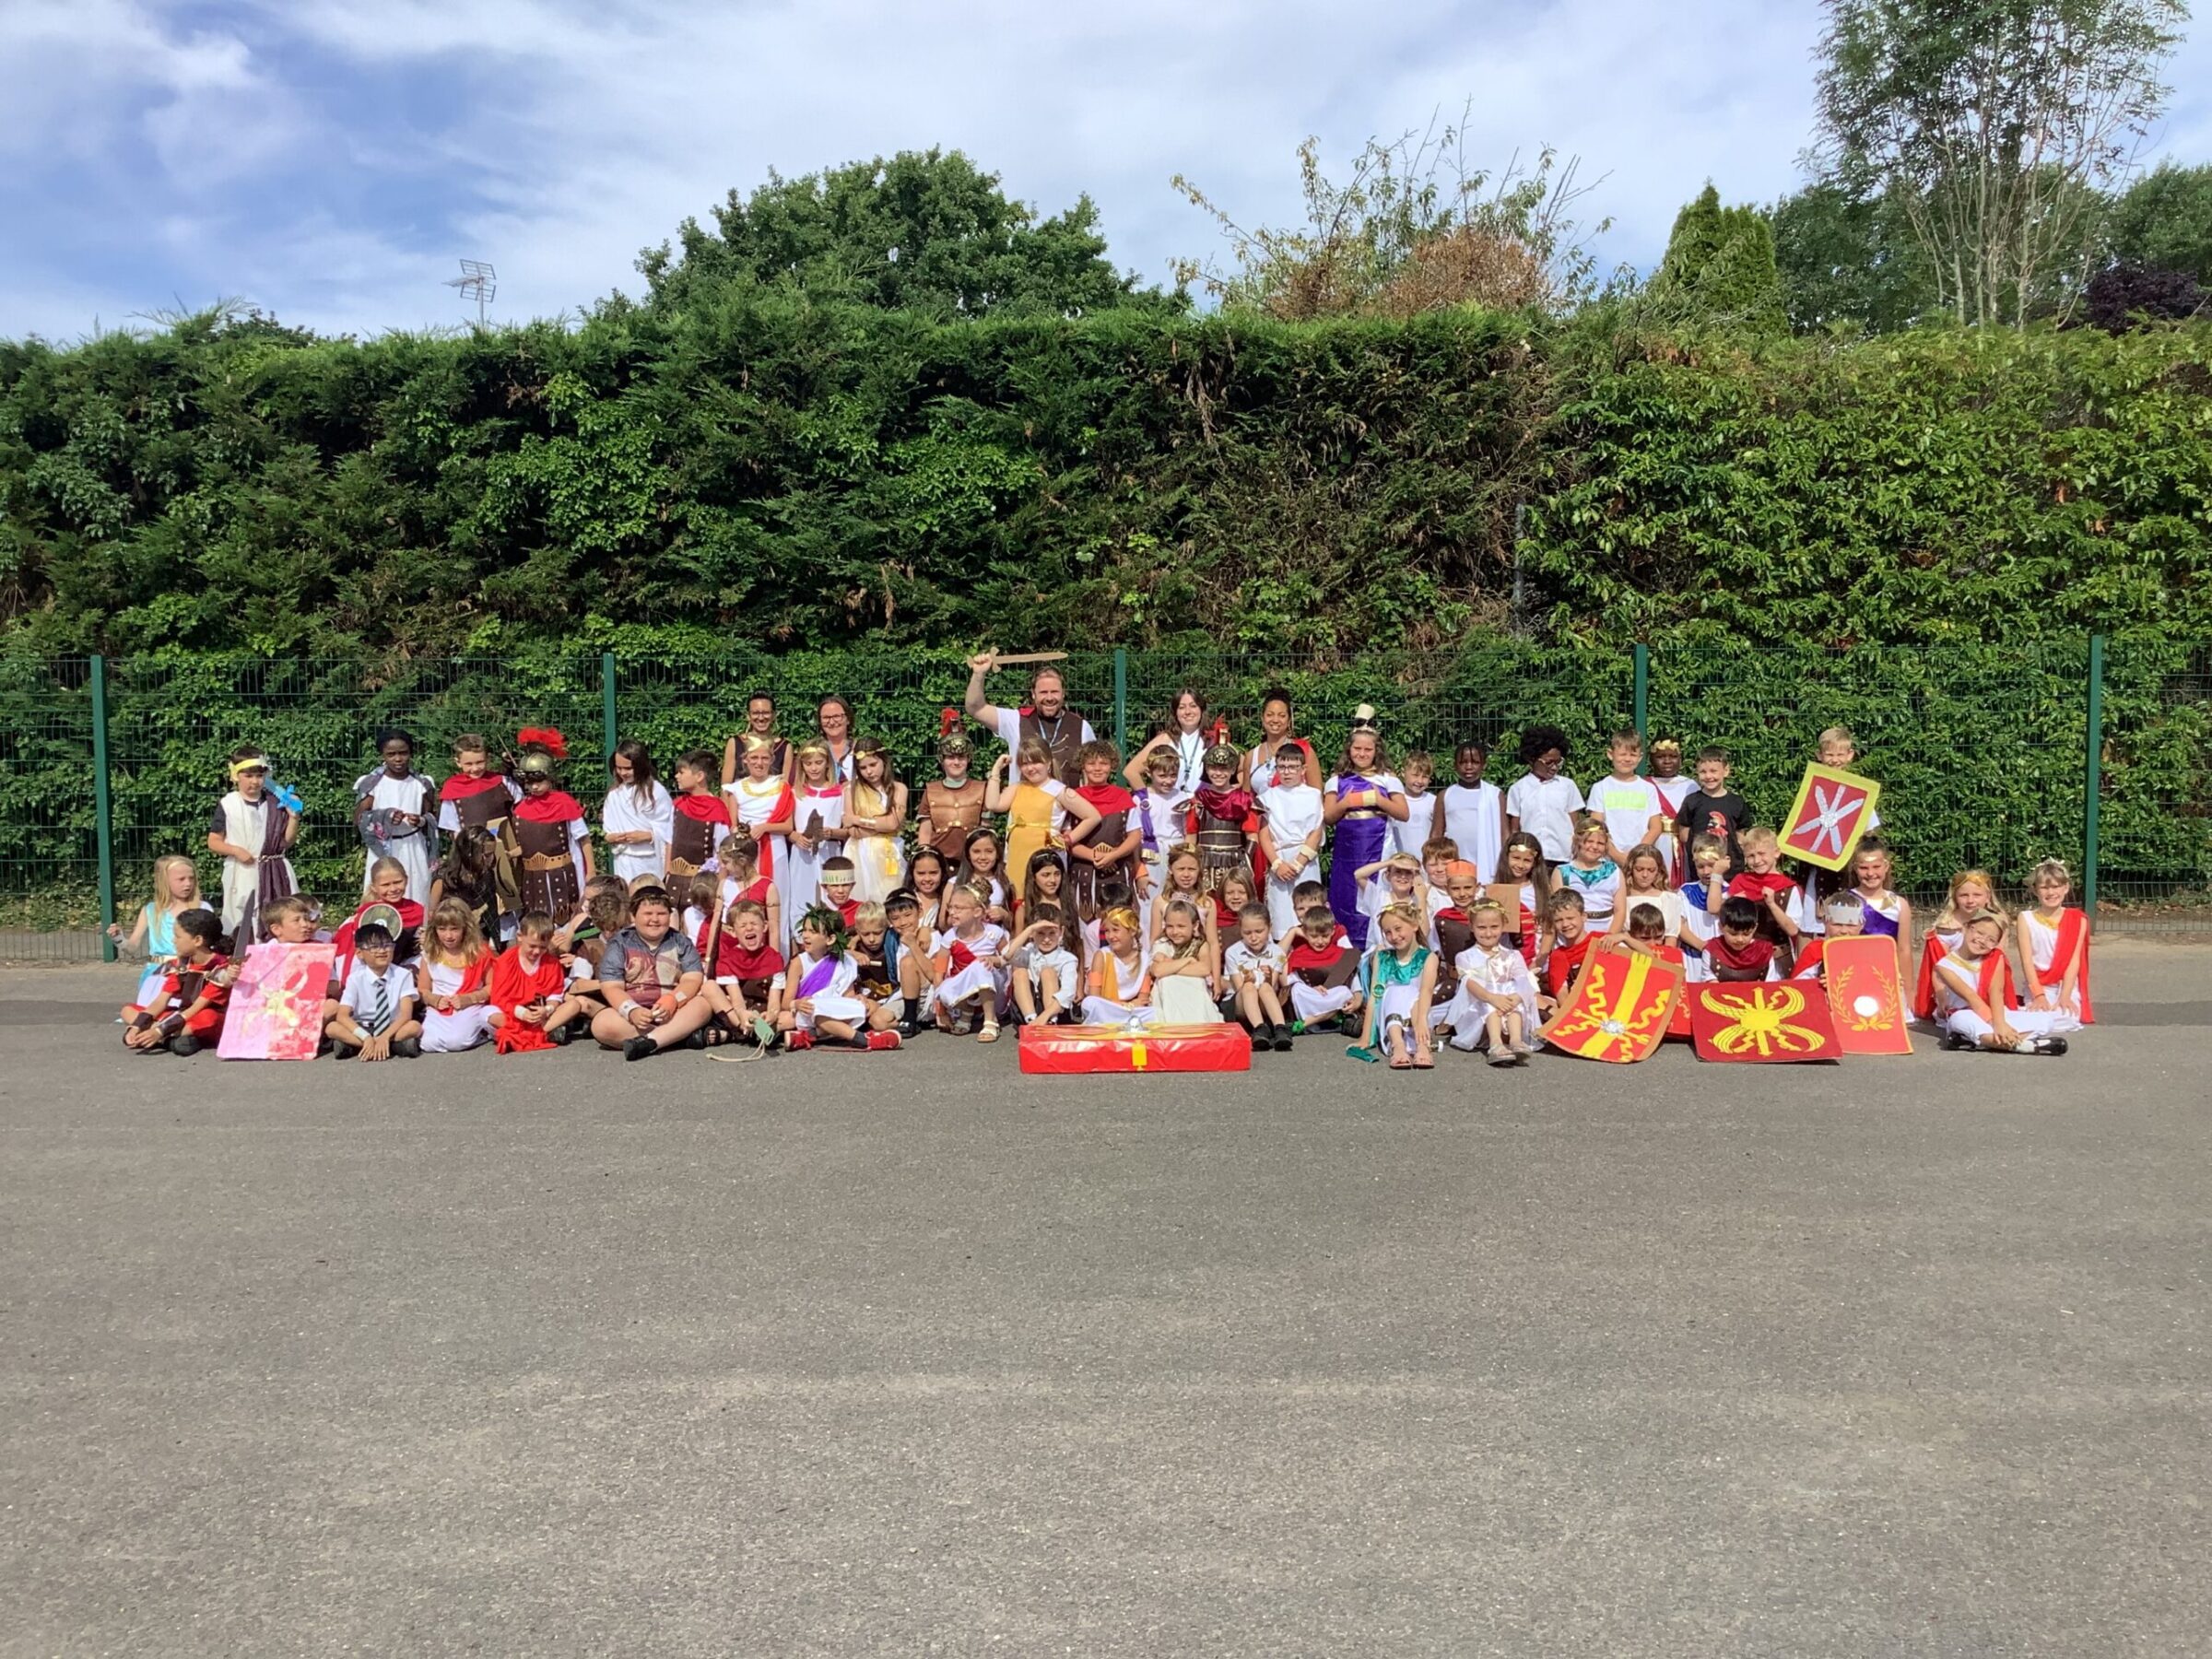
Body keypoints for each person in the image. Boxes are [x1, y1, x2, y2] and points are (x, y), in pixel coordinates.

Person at [586, 885, 718, 1060]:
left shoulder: (681, 942)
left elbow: (692, 979)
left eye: (661, 914)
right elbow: (611, 987)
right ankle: (676, 1037)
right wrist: (632, 1010)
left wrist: (673, 1000)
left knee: (703, 1005)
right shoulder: (619, 944)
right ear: (633, 916)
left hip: (674, 1010)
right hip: (635, 1013)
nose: (655, 919)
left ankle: (651, 1042)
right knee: (601, 1024)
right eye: (648, 914)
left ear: (670, 915)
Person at [1324, 709, 1408, 952]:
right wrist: (1345, 803)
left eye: (1367, 749)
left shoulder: (1387, 779)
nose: (1362, 754)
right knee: (1347, 896)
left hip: (1378, 848)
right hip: (1347, 852)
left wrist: (1379, 800)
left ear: (1376, 751)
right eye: (1357, 749)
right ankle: (1347, 951)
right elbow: (1328, 817)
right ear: (1349, 750)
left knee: (1376, 896)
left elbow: (1403, 813)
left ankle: (1378, 948)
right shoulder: (1337, 780)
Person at [1934, 911, 2072, 1054]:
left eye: (1991, 939)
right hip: (1968, 1012)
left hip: (1997, 1011)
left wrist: (2000, 1023)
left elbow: (1996, 992)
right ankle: (2026, 1045)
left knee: (2046, 1020)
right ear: (1967, 927)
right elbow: (1973, 999)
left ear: (1995, 944)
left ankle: (1973, 1041)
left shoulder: (1995, 958)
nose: (1982, 941)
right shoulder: (1945, 966)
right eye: (1980, 933)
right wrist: (1999, 1026)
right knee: (1959, 1020)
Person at [988, 739, 1101, 905]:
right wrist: (996, 770)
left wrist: (1068, 839)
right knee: (1017, 901)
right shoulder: (1017, 788)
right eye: (1024, 764)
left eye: (1036, 762)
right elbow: (993, 804)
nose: (1030, 768)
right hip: (1017, 855)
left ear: (1048, 763)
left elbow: (1092, 816)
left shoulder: (1059, 790)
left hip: (1044, 856)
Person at [208, 748, 298, 946]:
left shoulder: (275, 802)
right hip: (244, 871)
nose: (255, 781)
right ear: (236, 776)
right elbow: (213, 841)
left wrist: (294, 817)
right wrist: (236, 850)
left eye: (259, 776)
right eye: (248, 776)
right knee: (246, 919)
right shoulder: (229, 804)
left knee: (282, 916)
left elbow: (286, 841)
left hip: (276, 871)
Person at [965, 653, 1096, 785]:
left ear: (1063, 693)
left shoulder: (1082, 727)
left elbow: (1093, 772)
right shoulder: (1016, 720)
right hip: (1023, 798)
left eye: (1054, 692)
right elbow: (976, 708)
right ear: (1033, 694)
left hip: (1067, 798)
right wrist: (978, 675)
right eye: (1043, 692)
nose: (1049, 698)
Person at [1441, 899, 1537, 1064]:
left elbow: (1523, 979)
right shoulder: (1465, 957)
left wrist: (1515, 998)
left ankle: (1516, 1040)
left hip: (1508, 1008)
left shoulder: (1513, 955)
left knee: (1513, 990)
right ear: (1472, 927)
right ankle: (1495, 1044)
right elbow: (1469, 983)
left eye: (1494, 927)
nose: (1488, 933)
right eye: (1482, 928)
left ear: (1503, 926)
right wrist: (1492, 998)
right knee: (1491, 1001)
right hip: (1478, 1010)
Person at [121, 907, 229, 1055]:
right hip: (182, 1016)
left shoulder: (220, 967)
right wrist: (136, 1027)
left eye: (178, 936)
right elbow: (161, 1001)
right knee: (127, 1010)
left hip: (203, 1016)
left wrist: (159, 1030)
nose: (173, 940)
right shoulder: (181, 965)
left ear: (197, 940)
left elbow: (196, 1008)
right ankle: (171, 1040)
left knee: (208, 1017)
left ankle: (161, 1037)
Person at [487, 912, 597, 1053]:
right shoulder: (505, 961)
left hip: (541, 1015)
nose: (537, 951)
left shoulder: (552, 963)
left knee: (574, 1005)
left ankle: (530, 1033)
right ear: (520, 936)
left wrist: (547, 1009)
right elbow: (499, 998)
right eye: (532, 946)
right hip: (513, 1013)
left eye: (543, 947)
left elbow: (555, 995)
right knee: (487, 1014)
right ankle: (541, 1032)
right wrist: (521, 1013)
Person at [351, 727, 439, 904]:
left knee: (417, 894)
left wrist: (420, 820)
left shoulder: (421, 784)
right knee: (382, 897)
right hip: (383, 849)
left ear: (410, 753)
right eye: (391, 754)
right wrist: (385, 817)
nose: (398, 759)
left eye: (403, 753)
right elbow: (359, 818)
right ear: (382, 755)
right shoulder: (372, 784)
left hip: (414, 847)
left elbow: (431, 817)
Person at [510, 743, 593, 919]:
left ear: (549, 777)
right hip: (532, 878)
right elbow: (527, 846)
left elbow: (584, 839)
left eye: (539, 781)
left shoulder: (564, 803)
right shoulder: (521, 809)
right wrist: (508, 854)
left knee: (567, 917)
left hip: (563, 873)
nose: (534, 787)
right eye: (530, 783)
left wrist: (590, 871)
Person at [782, 904, 880, 1050]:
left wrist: (858, 998)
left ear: (830, 939)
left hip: (831, 1008)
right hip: (807, 1011)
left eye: (813, 932)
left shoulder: (843, 961)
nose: (806, 936)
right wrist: (797, 1004)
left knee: (868, 1006)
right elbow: (785, 1003)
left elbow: (847, 997)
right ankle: (863, 1040)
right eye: (805, 930)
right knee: (809, 1012)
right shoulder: (798, 963)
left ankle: (811, 1035)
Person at [112, 854, 203, 1013]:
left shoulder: (202, 908)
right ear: (165, 882)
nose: (188, 883)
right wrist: (119, 938)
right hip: (157, 974)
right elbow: (132, 947)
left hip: (189, 972)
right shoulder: (152, 910)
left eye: (191, 878)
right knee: (149, 1016)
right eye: (181, 879)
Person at [723, 734, 796, 929]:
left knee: (777, 896)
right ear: (745, 760)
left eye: (764, 758)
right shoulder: (736, 789)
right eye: (754, 758)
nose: (759, 763)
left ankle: (777, 942)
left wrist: (765, 827)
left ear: (772, 760)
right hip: (747, 851)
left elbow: (788, 826)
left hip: (775, 848)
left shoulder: (781, 787)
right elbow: (733, 826)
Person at [1352, 902, 1438, 1068]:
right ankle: (1397, 1045)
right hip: (1389, 1017)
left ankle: (1422, 1046)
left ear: (1414, 925)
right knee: (1395, 991)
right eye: (1388, 932)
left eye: (1398, 929)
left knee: (1414, 994)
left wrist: (1422, 1021)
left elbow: (1426, 991)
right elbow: (1375, 996)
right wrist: (1365, 1037)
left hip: (1419, 1015)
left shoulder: (1428, 957)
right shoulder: (1383, 957)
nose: (1394, 936)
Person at [1912, 868, 2006, 1019]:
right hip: (1954, 987)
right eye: (1964, 895)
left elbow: (1996, 962)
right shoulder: (1947, 927)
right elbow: (1940, 970)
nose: (1970, 900)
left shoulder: (1998, 923)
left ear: (1987, 897)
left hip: (1986, 982)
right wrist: (1942, 998)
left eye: (1977, 895)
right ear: (1955, 897)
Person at [1256, 742, 1324, 940]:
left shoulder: (1313, 795)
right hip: (1279, 860)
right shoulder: (1267, 797)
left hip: (1304, 860)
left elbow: (1316, 832)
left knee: (1309, 907)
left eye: (1293, 767)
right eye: (1282, 767)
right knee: (1280, 913)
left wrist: (1298, 863)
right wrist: (1277, 864)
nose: (1287, 772)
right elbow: (1264, 834)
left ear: (1303, 769)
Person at [325, 923, 422, 1061]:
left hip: (391, 1027)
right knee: (331, 1028)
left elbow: (405, 1015)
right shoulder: (355, 978)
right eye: (374, 947)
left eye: (387, 945)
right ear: (359, 953)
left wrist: (385, 1036)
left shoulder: (403, 975)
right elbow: (342, 1015)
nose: (382, 951)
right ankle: (389, 1046)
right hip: (362, 1027)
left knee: (414, 1027)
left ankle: (359, 1046)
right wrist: (366, 1037)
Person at [930, 883, 1011, 1041]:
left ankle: (990, 1020)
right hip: (966, 991)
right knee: (943, 990)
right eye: (950, 907)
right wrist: (940, 1011)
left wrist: (993, 960)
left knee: (981, 965)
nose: (952, 912)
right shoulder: (949, 937)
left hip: (993, 990)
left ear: (977, 912)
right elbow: (939, 972)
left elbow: (1008, 958)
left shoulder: (994, 933)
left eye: (959, 908)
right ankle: (966, 1012)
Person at [1068, 740, 1139, 922]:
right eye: (1091, 763)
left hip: (1118, 871)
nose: (1098, 768)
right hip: (1084, 872)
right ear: (1083, 765)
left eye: (1104, 763)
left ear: (1112, 765)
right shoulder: (1073, 799)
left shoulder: (1123, 796)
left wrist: (1114, 855)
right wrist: (1093, 855)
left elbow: (1134, 835)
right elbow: (1067, 839)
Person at [2018, 858, 2093, 1024]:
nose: (2051, 893)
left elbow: (2073, 961)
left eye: (2056, 886)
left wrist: (2065, 996)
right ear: (2035, 890)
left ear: (2066, 887)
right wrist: (2038, 995)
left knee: (2069, 1016)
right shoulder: (2026, 918)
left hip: (2064, 985)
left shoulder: (2078, 919)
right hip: (2038, 984)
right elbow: (2027, 961)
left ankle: (2024, 1021)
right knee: (2039, 1013)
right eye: (2044, 888)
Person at [703, 898, 786, 1047]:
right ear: (733, 932)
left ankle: (743, 1033)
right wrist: (742, 1015)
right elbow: (737, 1000)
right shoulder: (728, 960)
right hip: (737, 1010)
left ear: (764, 927)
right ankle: (742, 1029)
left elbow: (774, 999)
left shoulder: (774, 958)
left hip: (762, 1009)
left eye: (754, 924)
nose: (749, 928)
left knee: (790, 1017)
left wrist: (772, 1014)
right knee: (709, 986)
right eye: (743, 925)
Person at [329, 856, 425, 984]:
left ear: (406, 880)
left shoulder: (417, 910)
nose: (393, 889)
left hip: (403, 966)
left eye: (398, 882)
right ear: (374, 887)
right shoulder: (368, 914)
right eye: (385, 885)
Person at [416, 898, 495, 1053]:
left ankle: (482, 1033)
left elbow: (492, 986)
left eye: (454, 929)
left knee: (457, 1042)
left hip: (470, 1006)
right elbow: (423, 989)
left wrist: (469, 999)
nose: (448, 936)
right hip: (440, 1007)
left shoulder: (479, 952)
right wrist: (435, 1000)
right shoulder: (430, 953)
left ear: (466, 928)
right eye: (442, 929)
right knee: (427, 1044)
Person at [784, 740, 850, 922]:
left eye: (818, 763)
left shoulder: (840, 793)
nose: (813, 768)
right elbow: (787, 828)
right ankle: (800, 934)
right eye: (808, 763)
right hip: (802, 854)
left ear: (828, 763)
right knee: (800, 897)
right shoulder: (795, 792)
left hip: (829, 852)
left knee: (831, 896)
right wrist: (796, 837)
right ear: (802, 766)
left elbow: (847, 831)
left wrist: (832, 833)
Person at [1504, 725, 1584, 865]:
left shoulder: (1567, 786)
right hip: (1531, 859)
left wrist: (1578, 848)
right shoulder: (1518, 789)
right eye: (1548, 762)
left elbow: (1575, 824)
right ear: (1531, 759)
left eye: (1558, 762)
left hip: (1563, 856)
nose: (1554, 767)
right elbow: (1515, 830)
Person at [1187, 740, 1257, 894]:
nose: (1218, 773)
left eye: (1224, 768)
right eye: (1213, 768)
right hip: (1204, 862)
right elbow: (1191, 837)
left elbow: (1252, 837)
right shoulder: (1198, 800)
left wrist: (1244, 863)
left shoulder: (1243, 800)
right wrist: (1190, 864)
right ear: (1206, 769)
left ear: (1232, 770)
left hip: (1235, 862)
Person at [1726, 827, 1803, 969]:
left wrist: (1772, 904)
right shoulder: (1740, 882)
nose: (1757, 860)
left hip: (1779, 959)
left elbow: (1793, 930)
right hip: (1744, 957)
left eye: (1762, 854)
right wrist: (1732, 904)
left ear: (1776, 853)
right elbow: (1724, 922)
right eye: (1751, 856)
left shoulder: (1788, 888)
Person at [843, 737, 909, 902]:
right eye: (863, 768)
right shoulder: (851, 790)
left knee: (889, 898)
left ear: (884, 761)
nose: (869, 771)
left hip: (888, 853)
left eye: (873, 765)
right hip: (858, 853)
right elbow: (852, 831)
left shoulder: (899, 789)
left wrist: (858, 819)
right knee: (859, 901)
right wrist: (882, 825)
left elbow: (893, 823)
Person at [1586, 731, 1665, 866]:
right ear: (1610, 754)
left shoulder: (1648, 789)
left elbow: (1656, 827)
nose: (1628, 759)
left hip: (1640, 860)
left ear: (1640, 757)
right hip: (1607, 859)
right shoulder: (1600, 788)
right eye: (1622, 754)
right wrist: (1617, 856)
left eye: (1633, 755)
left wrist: (1636, 855)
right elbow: (1596, 827)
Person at [1221, 901, 1293, 1050]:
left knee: (1265, 988)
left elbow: (1271, 986)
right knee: (1249, 987)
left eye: (1259, 931)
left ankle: (1280, 1028)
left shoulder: (1278, 953)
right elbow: (1239, 987)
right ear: (1240, 930)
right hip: (1239, 1004)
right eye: (1247, 933)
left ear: (1269, 928)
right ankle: (1259, 1029)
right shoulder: (1232, 952)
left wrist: (1268, 977)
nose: (1253, 937)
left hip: (1265, 1000)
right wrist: (1248, 980)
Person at [602, 739, 674, 887]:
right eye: (619, 768)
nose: (623, 773)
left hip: (649, 861)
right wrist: (611, 837)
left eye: (628, 768)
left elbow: (670, 829)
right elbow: (608, 830)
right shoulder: (614, 794)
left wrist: (649, 835)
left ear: (640, 766)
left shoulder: (656, 791)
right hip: (623, 860)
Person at [915, 725, 987, 872]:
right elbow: (925, 834)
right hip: (939, 865)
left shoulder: (981, 789)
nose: (956, 762)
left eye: (961, 757)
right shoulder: (931, 790)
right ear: (941, 759)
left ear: (969, 759)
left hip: (972, 864)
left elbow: (986, 831)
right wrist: (924, 861)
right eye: (950, 757)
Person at [1675, 747, 1751, 878]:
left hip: (1731, 870)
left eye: (1713, 771)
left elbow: (1740, 836)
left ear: (1726, 771)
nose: (1708, 776)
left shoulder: (1737, 802)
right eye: (1703, 772)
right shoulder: (1692, 801)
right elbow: (1684, 836)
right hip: (1702, 870)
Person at [1285, 904, 1362, 1033]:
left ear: (1332, 931)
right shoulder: (1298, 954)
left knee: (1344, 992)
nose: (1320, 941)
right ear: (1305, 933)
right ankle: (1333, 1016)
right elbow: (1290, 980)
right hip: (1312, 998)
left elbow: (1352, 977)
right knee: (1297, 989)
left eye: (1325, 936)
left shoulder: (1342, 953)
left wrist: (1358, 997)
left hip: (1331, 995)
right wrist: (1312, 989)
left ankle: (1308, 1022)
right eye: (1314, 936)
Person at [1128, 746, 1189, 908]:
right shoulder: (1140, 799)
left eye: (1173, 775)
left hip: (1177, 853)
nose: (1168, 781)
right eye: (1162, 776)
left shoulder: (1183, 797)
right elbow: (1134, 838)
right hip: (1150, 856)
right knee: (1149, 901)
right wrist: (1139, 871)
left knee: (1177, 902)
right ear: (1149, 773)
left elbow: (1188, 831)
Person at [1441, 742, 1505, 894]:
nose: (1469, 767)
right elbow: (1436, 833)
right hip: (1456, 864)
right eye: (1463, 762)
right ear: (1455, 765)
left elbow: (1504, 833)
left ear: (1484, 765)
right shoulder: (1446, 795)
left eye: (1475, 762)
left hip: (1489, 865)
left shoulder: (1495, 795)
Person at [1124, 687, 1212, 794]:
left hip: (1203, 803)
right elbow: (1130, 771)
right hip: (1171, 803)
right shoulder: (1165, 739)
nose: (1188, 712)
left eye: (1193, 706)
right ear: (1175, 713)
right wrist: (1147, 799)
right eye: (1181, 707)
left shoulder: (1212, 740)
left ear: (1201, 709)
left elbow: (1232, 772)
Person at [1006, 901, 1081, 1028]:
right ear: (1032, 933)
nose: (1046, 939)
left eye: (1052, 933)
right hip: (1027, 1013)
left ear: (1061, 932)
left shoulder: (1067, 959)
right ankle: (1031, 1020)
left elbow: (1068, 992)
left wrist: (1044, 1017)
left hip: (1055, 1012)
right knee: (1019, 972)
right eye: (1041, 933)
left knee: (1048, 972)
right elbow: (1007, 955)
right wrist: (1029, 930)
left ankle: (1051, 1023)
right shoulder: (1027, 951)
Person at [1848, 838, 1914, 981]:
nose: (1870, 873)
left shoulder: (1899, 905)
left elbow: (1904, 950)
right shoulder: (1846, 901)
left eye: (1876, 867)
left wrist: (1909, 989)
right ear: (1855, 868)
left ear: (1886, 866)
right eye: (1864, 868)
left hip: (1887, 977)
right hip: (1853, 976)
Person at [1149, 898, 1219, 1023]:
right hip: (1168, 997)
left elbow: (1204, 969)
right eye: (1170, 926)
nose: (1175, 932)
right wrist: (1188, 960)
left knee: (1196, 981)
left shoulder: (1200, 944)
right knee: (1167, 980)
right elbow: (1158, 971)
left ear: (1195, 925)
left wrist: (1170, 966)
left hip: (1194, 995)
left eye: (1181, 926)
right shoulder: (1162, 943)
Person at [1081, 906, 1154, 1025]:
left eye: (1115, 930)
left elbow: (1143, 1000)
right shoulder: (1101, 955)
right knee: (1089, 1003)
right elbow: (1094, 995)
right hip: (1109, 1007)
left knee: (1154, 1013)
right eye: (1107, 931)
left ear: (1132, 931)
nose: (1110, 936)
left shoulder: (1145, 958)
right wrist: (1125, 1006)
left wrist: (1131, 1006)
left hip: (1133, 1010)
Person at [846, 902, 907, 1042]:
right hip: (868, 997)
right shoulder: (852, 945)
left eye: (878, 933)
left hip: (895, 996)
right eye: (865, 934)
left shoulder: (895, 941)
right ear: (857, 931)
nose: (872, 939)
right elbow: (829, 951)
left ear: (887, 927)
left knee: (878, 1022)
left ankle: (907, 1023)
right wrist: (851, 953)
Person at [1554, 815, 1623, 931]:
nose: (1595, 847)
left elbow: (1620, 910)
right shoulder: (1562, 872)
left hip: (1607, 930)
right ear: (1578, 842)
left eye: (1600, 843)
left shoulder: (1614, 871)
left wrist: (1610, 936)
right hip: (1573, 932)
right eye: (1589, 841)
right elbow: (1559, 910)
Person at [1243, 688, 1318, 795]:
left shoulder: (1305, 751)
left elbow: (1317, 795)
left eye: (1282, 715)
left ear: (1289, 720)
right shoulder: (1251, 756)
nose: (1275, 720)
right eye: (1270, 715)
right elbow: (1245, 799)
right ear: (1262, 718)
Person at [1495, 832, 1552, 967]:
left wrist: (1539, 961)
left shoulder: (1540, 890)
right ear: (1506, 857)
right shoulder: (1495, 889)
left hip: (1534, 960)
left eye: (1527, 860)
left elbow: (1549, 930)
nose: (1520, 865)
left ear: (1535, 863)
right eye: (1516, 858)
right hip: (1503, 962)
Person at [1679, 833, 1731, 982]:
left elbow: (1714, 908)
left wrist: (1717, 877)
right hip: (1692, 959)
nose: (1706, 872)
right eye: (1700, 866)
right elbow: (1678, 925)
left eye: (1712, 866)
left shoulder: (1731, 892)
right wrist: (1702, 946)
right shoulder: (1686, 892)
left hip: (1722, 961)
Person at [1607, 845, 1684, 943]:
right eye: (1639, 869)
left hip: (1657, 950)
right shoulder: (1620, 897)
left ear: (1659, 871)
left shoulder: (1668, 899)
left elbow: (1671, 939)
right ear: (1631, 868)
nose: (1645, 875)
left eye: (1651, 870)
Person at [721, 690, 792, 792]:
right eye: (755, 713)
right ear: (748, 716)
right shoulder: (735, 743)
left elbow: (785, 787)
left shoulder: (784, 747)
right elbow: (725, 786)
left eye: (766, 713)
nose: (761, 718)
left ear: (774, 715)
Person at [1786, 893, 1866, 982]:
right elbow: (1799, 985)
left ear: (1862, 925)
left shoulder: (1868, 951)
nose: (1844, 931)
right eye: (1837, 924)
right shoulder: (1815, 951)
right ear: (1825, 922)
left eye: (1850, 925)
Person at [1644, 739, 1695, 877]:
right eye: (1660, 757)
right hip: (1655, 842)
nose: (1667, 761)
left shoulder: (1690, 785)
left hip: (1683, 844)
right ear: (1651, 759)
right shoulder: (1644, 785)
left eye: (1673, 756)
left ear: (1680, 758)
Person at [1536, 889, 1595, 1009]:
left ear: (1584, 916)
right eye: (1558, 920)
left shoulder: (1601, 942)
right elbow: (1562, 996)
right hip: (1578, 1011)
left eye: (1570, 918)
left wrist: (1625, 938)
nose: (1565, 924)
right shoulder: (1559, 956)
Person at [1706, 897, 1779, 983]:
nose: (1740, 939)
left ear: (1755, 928)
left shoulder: (1764, 951)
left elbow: (1770, 983)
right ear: (1721, 927)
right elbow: (1709, 983)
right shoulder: (1712, 950)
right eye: (1733, 934)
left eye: (1746, 934)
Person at [1391, 751, 1441, 862]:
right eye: (1415, 775)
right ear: (1403, 773)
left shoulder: (1434, 801)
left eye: (1425, 777)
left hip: (1427, 861)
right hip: (1399, 860)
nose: (1420, 781)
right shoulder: (1395, 800)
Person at [955, 830, 1011, 927]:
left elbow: (1015, 923)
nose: (983, 857)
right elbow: (944, 923)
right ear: (968, 855)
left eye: (989, 851)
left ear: (998, 854)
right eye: (976, 851)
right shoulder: (955, 882)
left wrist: (1004, 915)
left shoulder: (1005, 883)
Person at [906, 848, 949, 937]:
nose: (927, 879)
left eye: (933, 873)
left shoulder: (949, 900)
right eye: (921, 873)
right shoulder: (904, 900)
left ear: (942, 872)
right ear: (912, 873)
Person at [813, 696, 858, 782]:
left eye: (837, 716)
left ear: (848, 719)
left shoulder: (859, 748)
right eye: (826, 717)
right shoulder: (814, 749)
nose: (832, 722)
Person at [817, 857, 860, 930]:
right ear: (824, 886)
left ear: (852, 885)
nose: (840, 891)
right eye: (835, 885)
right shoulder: (818, 913)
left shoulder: (861, 910)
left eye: (845, 885)